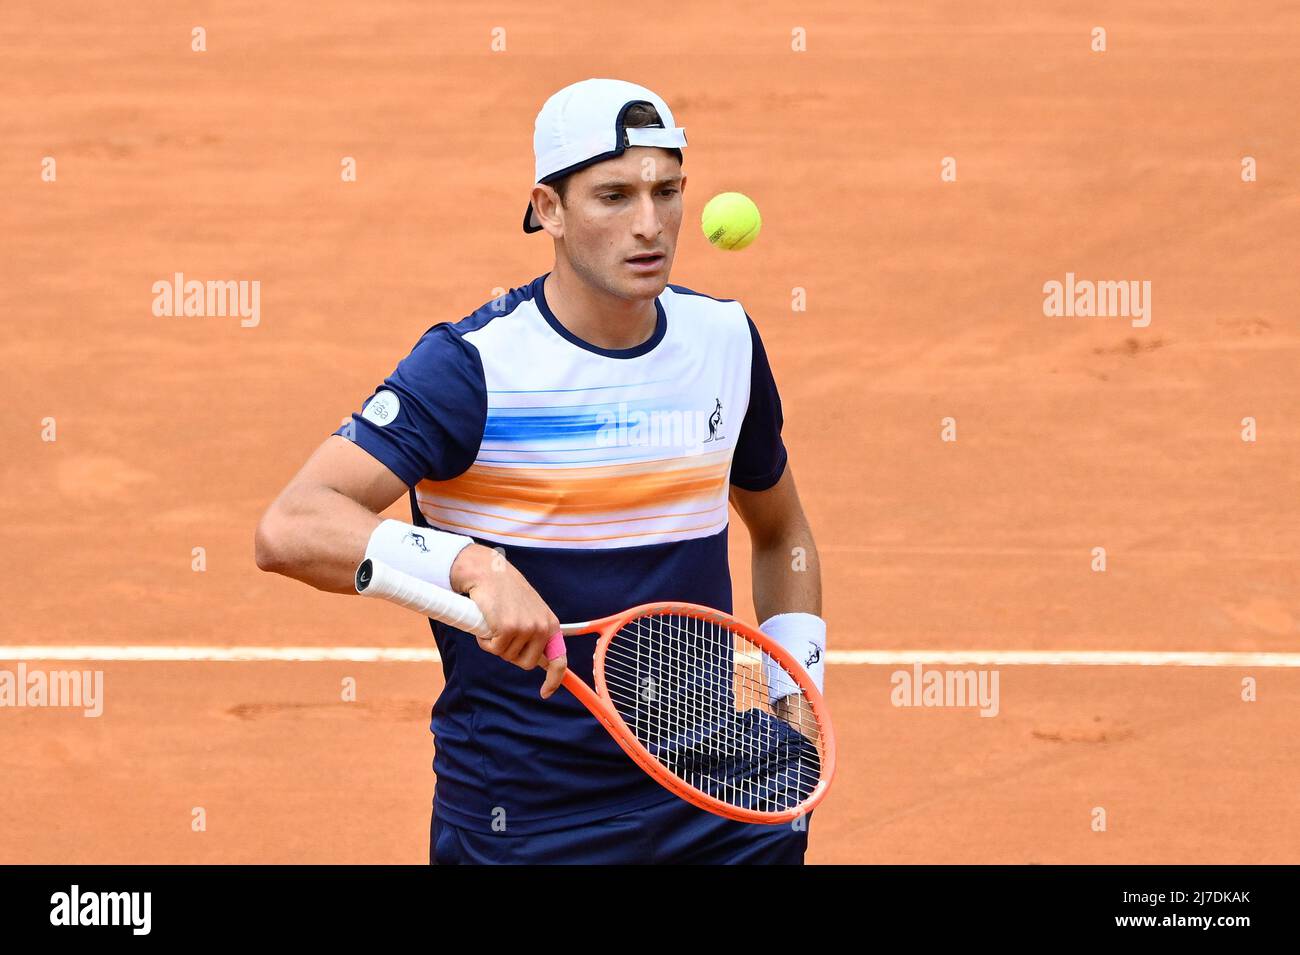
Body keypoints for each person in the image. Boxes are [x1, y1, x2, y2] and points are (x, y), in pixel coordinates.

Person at [255, 78, 826, 864]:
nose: (649, 225)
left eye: (668, 191)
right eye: (614, 196)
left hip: (719, 796)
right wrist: (470, 564)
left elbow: (781, 531)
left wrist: (800, 695)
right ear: (548, 210)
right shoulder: (472, 368)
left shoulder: (725, 341)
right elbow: (291, 525)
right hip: (530, 819)